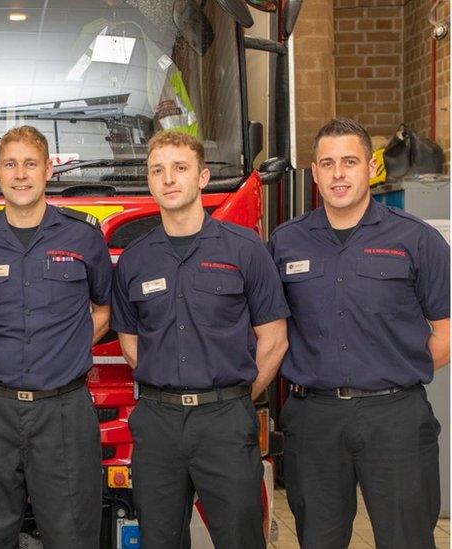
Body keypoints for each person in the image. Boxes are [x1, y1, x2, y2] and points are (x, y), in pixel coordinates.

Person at [269, 118, 450, 548]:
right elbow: (270, 331)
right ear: (313, 173)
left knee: (407, 538)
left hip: (396, 418)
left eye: (349, 162)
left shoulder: (416, 239)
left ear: (370, 166)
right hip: (314, 420)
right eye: (327, 163)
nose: (338, 174)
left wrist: (398, 370)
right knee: (319, 539)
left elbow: (446, 329)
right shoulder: (285, 243)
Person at [110, 130, 289, 548]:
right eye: (158, 170)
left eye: (179, 168)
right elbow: (129, 342)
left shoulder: (244, 249)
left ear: (202, 177)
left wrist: (237, 398)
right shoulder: (135, 259)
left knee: (241, 538)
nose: (168, 179)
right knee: (159, 539)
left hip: (224, 422)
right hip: (158, 424)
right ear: (149, 181)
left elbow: (275, 340)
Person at [0, 125, 111, 548]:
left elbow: (104, 310)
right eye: (10, 164)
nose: (20, 174)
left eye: (30, 164)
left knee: (72, 536)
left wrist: (68, 348)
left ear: (47, 171)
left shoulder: (84, 236)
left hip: (64, 411)